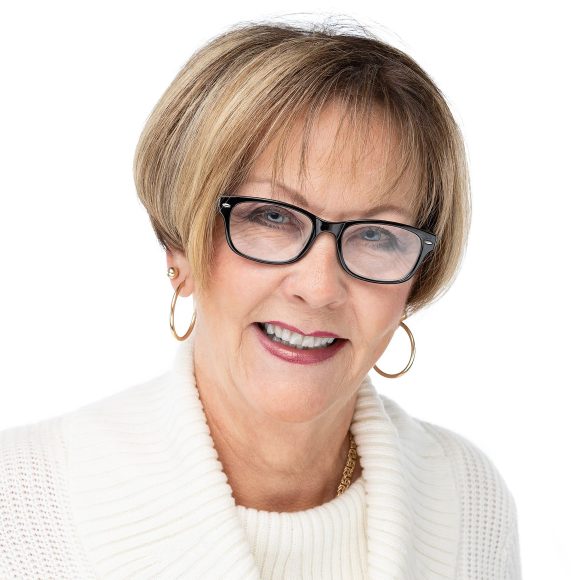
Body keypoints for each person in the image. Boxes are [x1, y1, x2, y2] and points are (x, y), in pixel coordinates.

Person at [0, 19, 521, 579]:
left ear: (416, 279)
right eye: (271, 217)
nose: (318, 288)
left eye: (376, 234)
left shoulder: (468, 500)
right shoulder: (21, 506)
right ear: (180, 246)